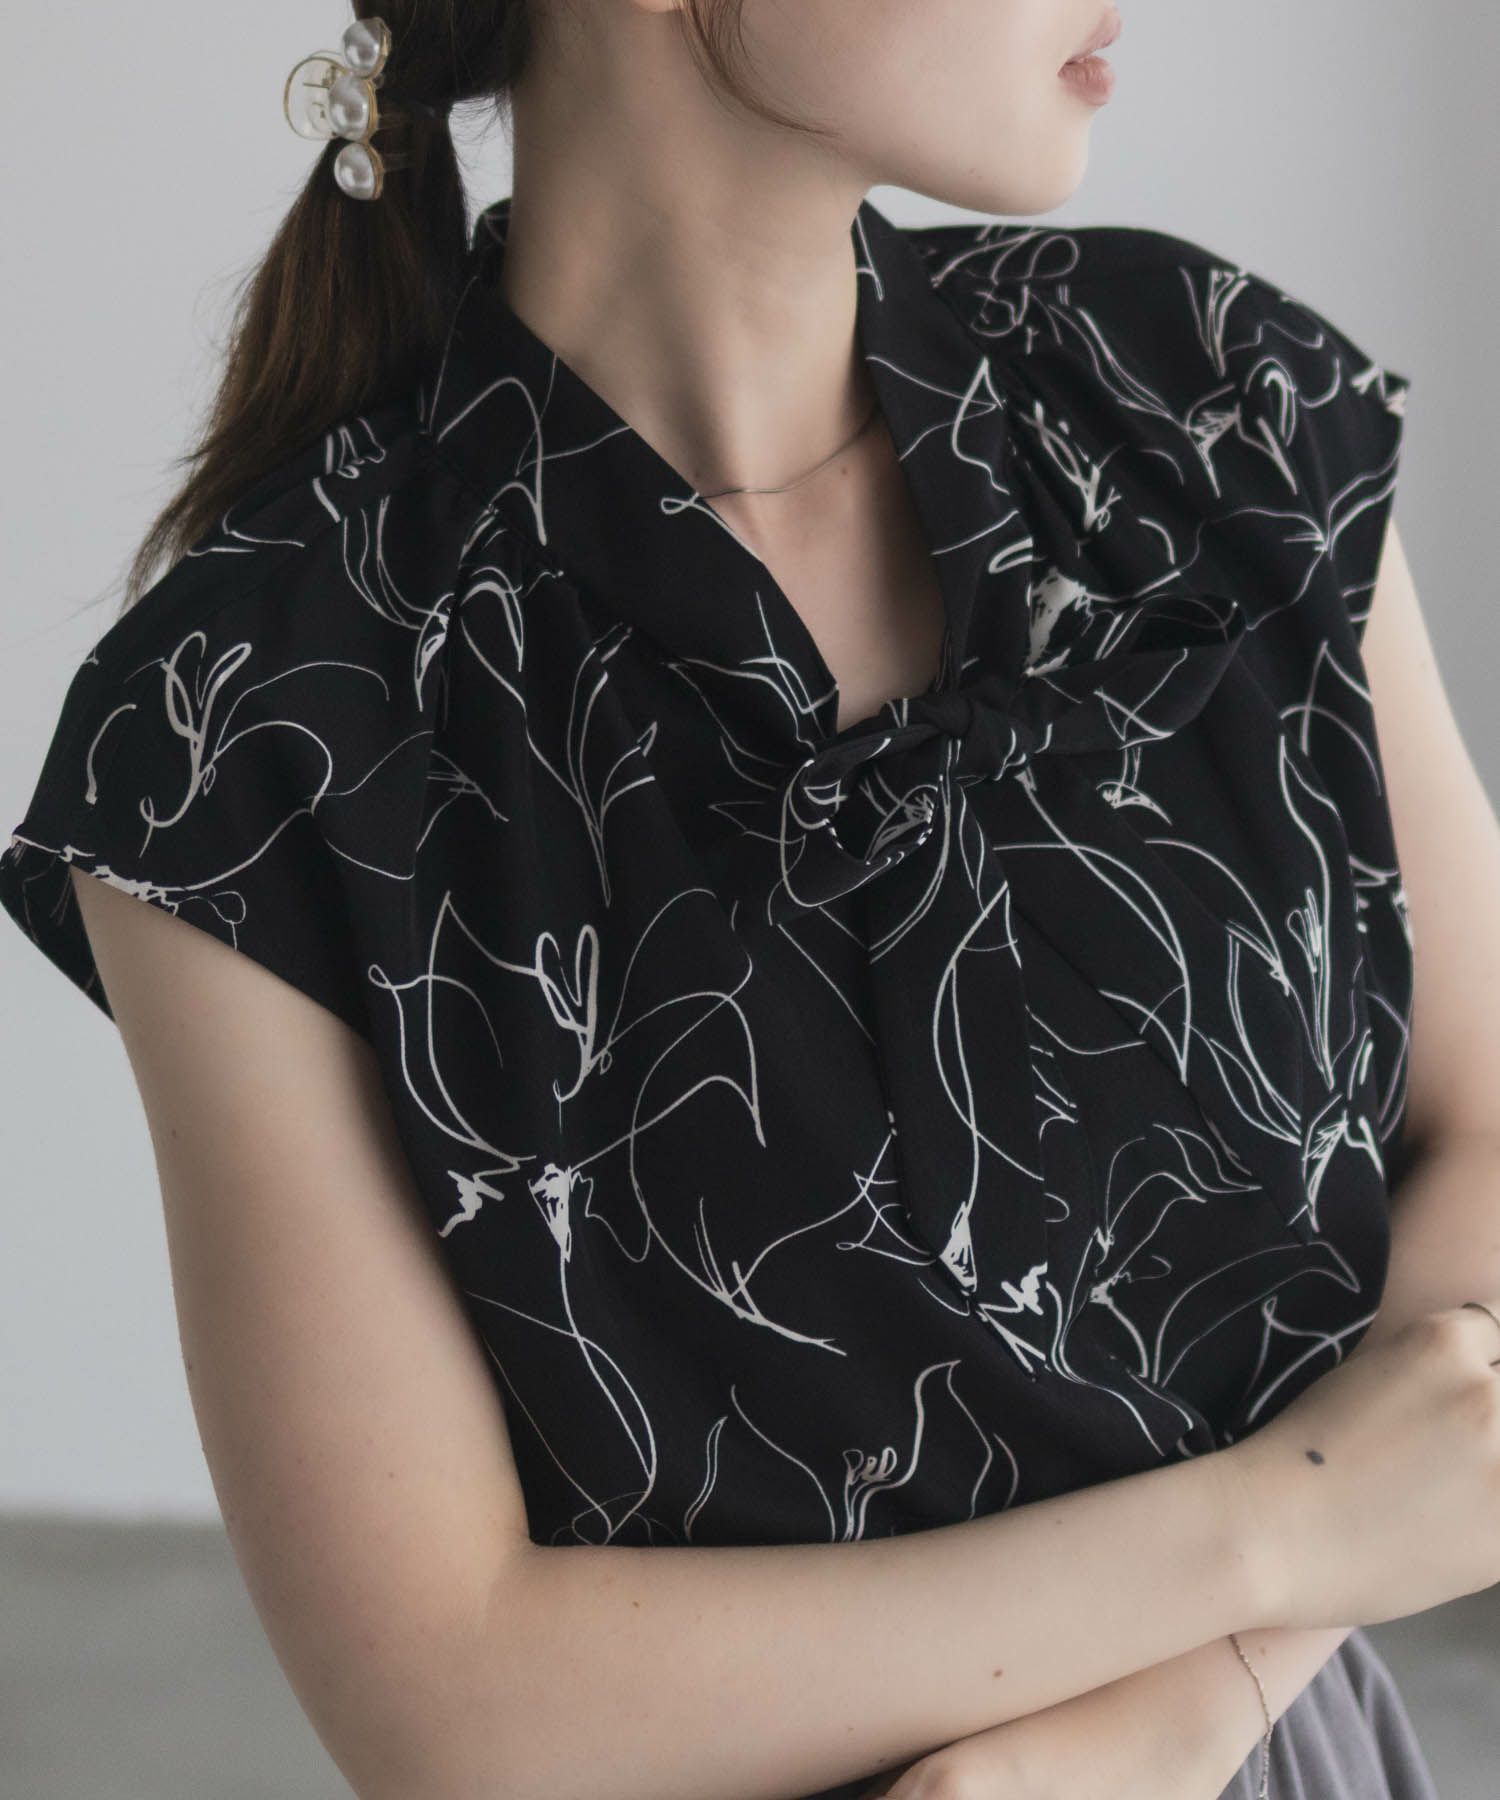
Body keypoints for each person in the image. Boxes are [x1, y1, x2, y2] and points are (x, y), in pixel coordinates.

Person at [3, 3, 1499, 1797]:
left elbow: (1488, 1154)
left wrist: (1171, 1713)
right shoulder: (249, 725)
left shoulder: (1207, 411)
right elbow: (452, 1705)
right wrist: (1282, 1534)